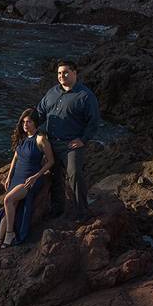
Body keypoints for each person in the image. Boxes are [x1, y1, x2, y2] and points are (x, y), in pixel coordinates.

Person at [36, 60, 100, 220]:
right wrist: (34, 131)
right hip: (51, 143)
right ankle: (57, 209)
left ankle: (82, 213)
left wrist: (83, 140)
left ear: (74, 73)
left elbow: (94, 122)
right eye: (59, 73)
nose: (61, 76)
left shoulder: (85, 96)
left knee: (75, 174)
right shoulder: (52, 92)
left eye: (65, 72)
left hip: (71, 145)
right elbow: (39, 113)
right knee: (55, 176)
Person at [0, 108, 54, 253]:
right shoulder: (22, 138)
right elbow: (15, 157)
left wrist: (36, 176)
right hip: (16, 177)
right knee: (9, 209)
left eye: (29, 122)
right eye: (24, 122)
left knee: (8, 200)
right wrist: (8, 176)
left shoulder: (41, 139)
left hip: (30, 179)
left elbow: (51, 161)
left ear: (35, 123)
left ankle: (10, 234)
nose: (25, 125)